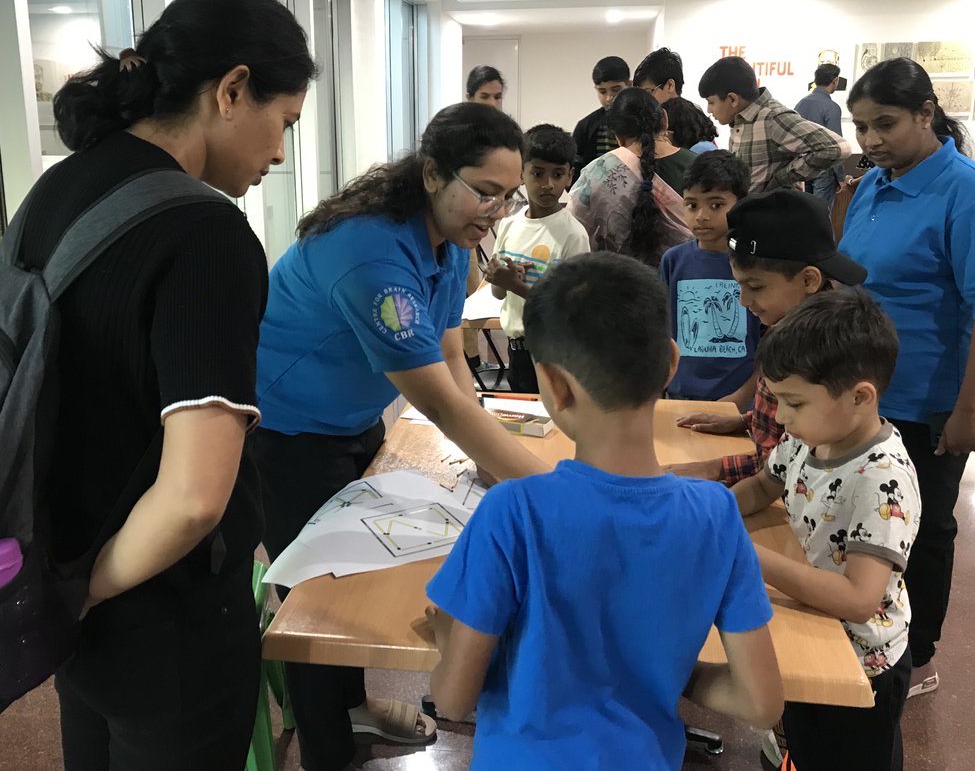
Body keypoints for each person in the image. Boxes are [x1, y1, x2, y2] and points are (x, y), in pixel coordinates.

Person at [27, 0, 316, 769]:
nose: (282, 152)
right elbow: (192, 499)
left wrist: (62, 595)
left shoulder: (59, 189)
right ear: (231, 90)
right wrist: (86, 589)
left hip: (56, 568)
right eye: (283, 121)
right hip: (161, 610)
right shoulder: (206, 233)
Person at [252, 102, 552, 771]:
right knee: (318, 602)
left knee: (353, 573)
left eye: (508, 196)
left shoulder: (449, 242)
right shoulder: (369, 251)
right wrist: (549, 491)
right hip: (287, 431)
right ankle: (326, 750)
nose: (495, 211)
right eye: (484, 190)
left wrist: (493, 457)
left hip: (351, 419)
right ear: (431, 174)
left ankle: (354, 709)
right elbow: (441, 404)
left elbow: (452, 358)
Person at [425, 252, 784, 769]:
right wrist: (658, 667)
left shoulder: (513, 510)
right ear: (670, 362)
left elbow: (456, 700)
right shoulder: (716, 515)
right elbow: (761, 702)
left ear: (553, 385)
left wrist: (444, 635)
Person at [838, 57, 975, 699]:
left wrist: (970, 408)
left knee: (922, 529)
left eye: (885, 124)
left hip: (932, 400)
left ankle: (914, 655)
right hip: (864, 395)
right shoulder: (873, 184)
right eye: (860, 127)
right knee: (865, 521)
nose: (871, 140)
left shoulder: (971, 191)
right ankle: (869, 632)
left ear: (926, 114)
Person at [732, 288, 919, 771]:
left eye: (794, 402)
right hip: (814, 626)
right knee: (808, 741)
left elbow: (860, 598)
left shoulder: (882, 480)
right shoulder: (806, 439)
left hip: (861, 664)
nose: (782, 418)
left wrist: (748, 555)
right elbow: (760, 487)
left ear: (860, 396)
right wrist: (713, 515)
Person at [665, 189, 868, 483]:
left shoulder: (820, 350)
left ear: (809, 279)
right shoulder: (785, 323)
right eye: (739, 287)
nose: (744, 301)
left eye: (756, 287)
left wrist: (715, 468)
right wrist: (743, 420)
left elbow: (785, 459)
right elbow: (782, 415)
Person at [486, 124, 590, 393]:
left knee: (554, 430)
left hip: (554, 354)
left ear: (570, 176)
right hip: (517, 351)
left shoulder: (573, 235)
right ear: (521, 173)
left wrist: (516, 286)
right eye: (538, 173)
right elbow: (499, 293)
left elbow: (570, 310)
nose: (548, 184)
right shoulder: (509, 225)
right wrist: (500, 279)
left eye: (558, 175)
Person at [659, 150, 759, 408]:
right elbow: (664, 332)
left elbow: (771, 343)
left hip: (738, 402)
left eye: (716, 205)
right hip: (679, 398)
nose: (701, 216)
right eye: (692, 205)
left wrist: (741, 397)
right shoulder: (673, 261)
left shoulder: (756, 263)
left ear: (741, 204)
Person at [568, 87, 691, 266]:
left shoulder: (597, 172)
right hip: (688, 284)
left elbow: (574, 230)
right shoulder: (698, 165)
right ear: (664, 120)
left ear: (618, 137)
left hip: (622, 285)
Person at [698, 56, 850, 192]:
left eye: (711, 102)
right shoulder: (740, 120)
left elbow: (837, 148)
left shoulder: (771, 118)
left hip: (768, 215)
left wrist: (781, 179)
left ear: (732, 99)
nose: (709, 110)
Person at [795, 63, 848, 209]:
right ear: (835, 80)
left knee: (806, 214)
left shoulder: (800, 104)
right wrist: (841, 177)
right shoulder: (832, 108)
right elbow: (836, 146)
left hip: (803, 167)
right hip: (824, 169)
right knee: (822, 216)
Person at [570, 55, 631, 179]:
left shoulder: (644, 120)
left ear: (629, 85)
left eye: (616, 90)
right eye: (602, 92)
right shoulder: (585, 126)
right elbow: (572, 167)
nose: (609, 98)